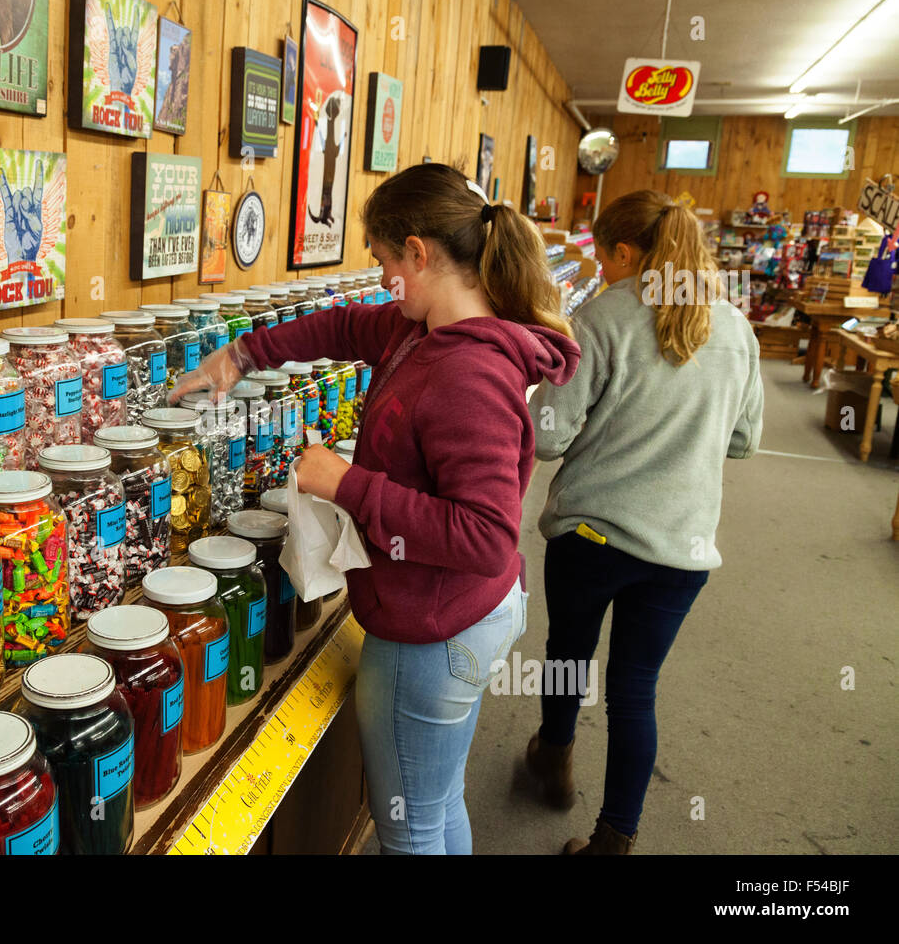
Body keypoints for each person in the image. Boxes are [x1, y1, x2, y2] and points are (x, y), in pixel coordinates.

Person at [172, 163, 580, 854]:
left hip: (436, 632)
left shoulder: (467, 372)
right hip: (464, 612)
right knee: (437, 799)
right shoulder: (421, 329)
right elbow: (338, 327)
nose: (382, 277)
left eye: (385, 260)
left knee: (410, 827)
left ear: (418, 254)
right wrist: (241, 355)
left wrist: (346, 484)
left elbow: (485, 534)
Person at [524, 189, 764, 854]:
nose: (600, 272)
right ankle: (614, 841)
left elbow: (547, 436)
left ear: (626, 252)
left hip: (592, 537)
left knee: (569, 655)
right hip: (681, 548)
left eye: (603, 259)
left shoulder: (604, 317)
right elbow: (744, 442)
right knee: (635, 689)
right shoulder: (737, 327)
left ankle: (554, 761)